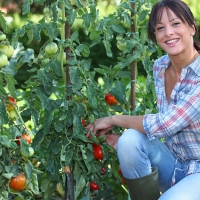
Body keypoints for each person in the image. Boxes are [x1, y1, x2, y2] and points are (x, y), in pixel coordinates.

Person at [87, 0, 200, 199]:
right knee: (129, 140)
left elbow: (167, 124)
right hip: (175, 163)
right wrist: (122, 144)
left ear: (191, 27)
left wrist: (113, 119)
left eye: (175, 24)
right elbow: (163, 122)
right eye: (160, 28)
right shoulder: (160, 67)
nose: (168, 33)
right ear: (155, 36)